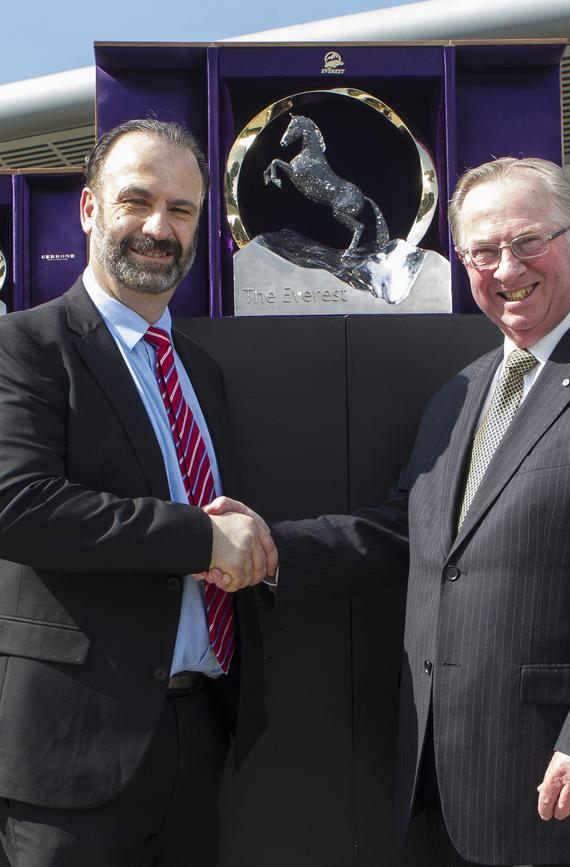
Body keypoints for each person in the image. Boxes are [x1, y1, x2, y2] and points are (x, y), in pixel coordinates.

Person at [213, 157, 570, 866]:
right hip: (438, 777)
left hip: (569, 781)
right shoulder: (464, 391)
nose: (505, 269)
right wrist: (268, 548)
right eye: (482, 251)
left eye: (527, 242)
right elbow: (402, 532)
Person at [0, 119, 277, 867]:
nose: (160, 227)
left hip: (197, 734)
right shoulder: (23, 346)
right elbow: (16, 505)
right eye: (137, 201)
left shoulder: (201, 372)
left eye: (181, 210)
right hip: (73, 752)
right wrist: (199, 538)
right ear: (89, 209)